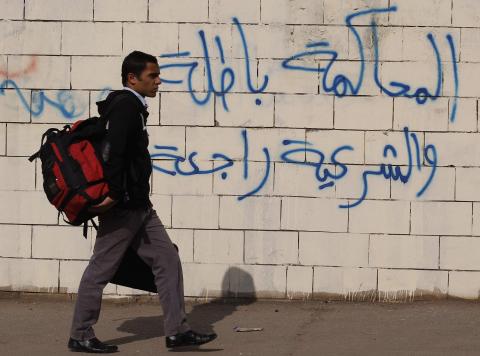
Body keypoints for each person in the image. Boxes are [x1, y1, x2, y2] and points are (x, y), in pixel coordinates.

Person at [67, 51, 217, 353]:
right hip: (123, 207)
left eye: (158, 75)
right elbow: (113, 152)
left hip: (140, 207)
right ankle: (80, 334)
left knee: (167, 259)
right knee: (101, 270)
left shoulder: (133, 108)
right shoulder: (125, 107)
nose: (159, 81)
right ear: (132, 78)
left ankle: (177, 331)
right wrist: (112, 194)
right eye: (153, 76)